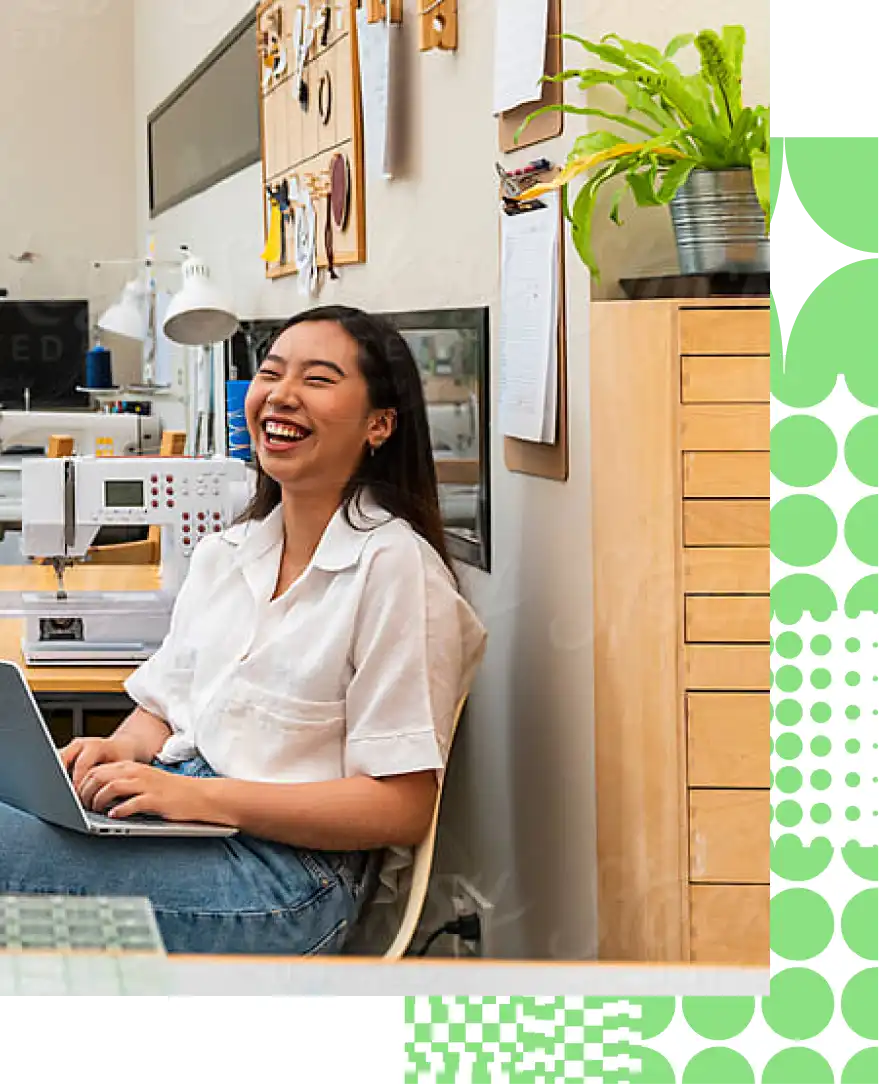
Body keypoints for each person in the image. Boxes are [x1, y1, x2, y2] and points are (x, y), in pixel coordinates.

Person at [0, 306, 487, 955]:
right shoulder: (228, 552)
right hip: (195, 823)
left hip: (290, 880)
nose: (281, 395)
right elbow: (161, 710)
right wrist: (117, 753)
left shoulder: (396, 572)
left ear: (380, 424)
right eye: (271, 372)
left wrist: (198, 798)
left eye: (317, 379)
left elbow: (399, 808)